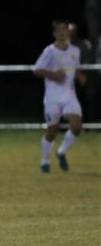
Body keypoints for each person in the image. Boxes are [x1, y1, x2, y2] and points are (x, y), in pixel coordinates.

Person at [34, 20, 86, 173]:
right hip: (52, 98)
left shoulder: (75, 51)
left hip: (69, 96)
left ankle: (61, 151)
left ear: (68, 32)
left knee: (76, 127)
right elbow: (37, 70)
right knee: (52, 131)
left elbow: (73, 68)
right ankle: (45, 160)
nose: (62, 33)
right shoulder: (49, 51)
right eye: (59, 31)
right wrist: (53, 75)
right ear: (54, 34)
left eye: (65, 30)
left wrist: (79, 76)